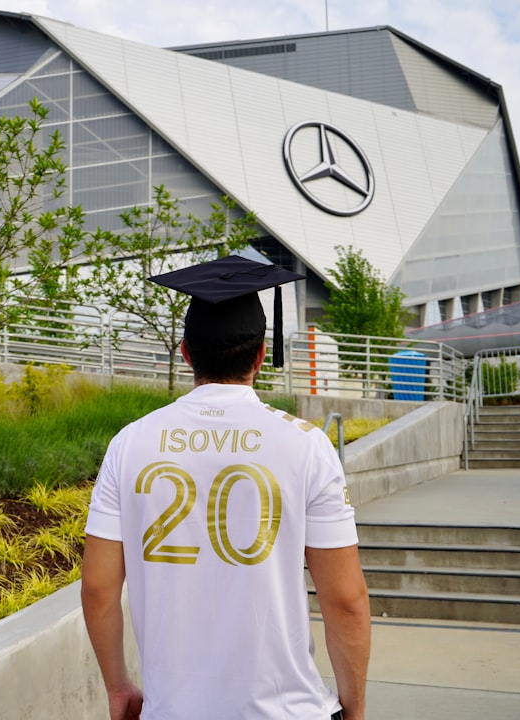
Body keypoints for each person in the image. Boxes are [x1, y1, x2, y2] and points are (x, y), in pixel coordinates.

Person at [81, 255, 370, 720]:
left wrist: (118, 687)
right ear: (260, 356)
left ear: (186, 353)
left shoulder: (129, 444)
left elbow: (97, 588)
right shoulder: (307, 446)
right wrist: (353, 706)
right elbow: (346, 600)